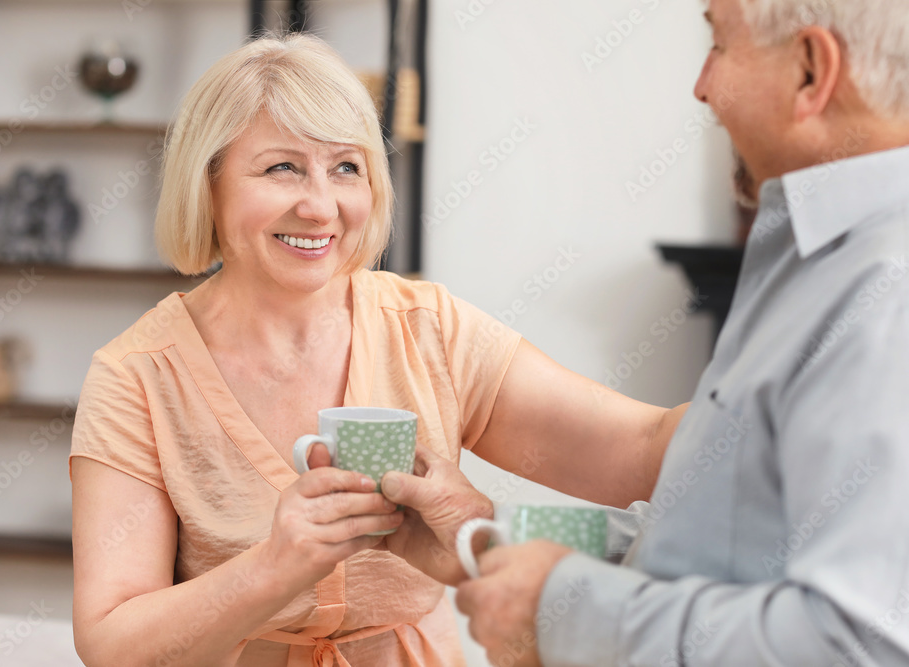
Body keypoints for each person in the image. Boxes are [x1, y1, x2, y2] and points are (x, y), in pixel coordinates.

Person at [68, 33, 687, 666]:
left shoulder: (429, 330)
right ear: (209, 184)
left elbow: (644, 452)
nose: (320, 205)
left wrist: (776, 392)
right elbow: (113, 644)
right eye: (282, 167)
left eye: (346, 167)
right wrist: (274, 568)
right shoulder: (137, 376)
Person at [381, 0, 909, 664]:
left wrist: (562, 606)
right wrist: (490, 539)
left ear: (811, 70)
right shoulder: (810, 259)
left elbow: (859, 641)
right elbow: (707, 539)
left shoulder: (887, 295)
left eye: (718, 44)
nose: (701, 86)